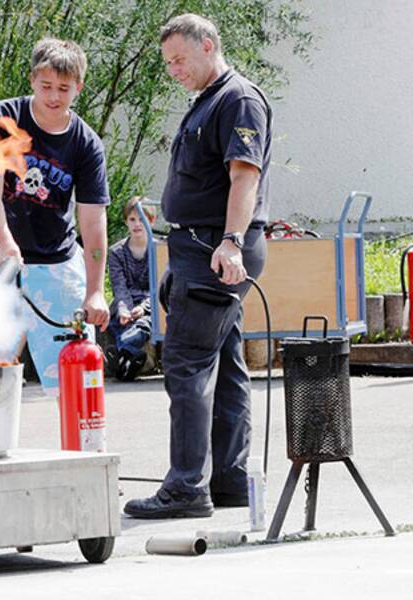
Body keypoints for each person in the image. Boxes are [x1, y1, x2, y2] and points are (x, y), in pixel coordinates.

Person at [124, 14, 272, 519]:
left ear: (208, 45)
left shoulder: (238, 100)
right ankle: (228, 480)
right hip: (200, 249)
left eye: (180, 59)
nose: (173, 70)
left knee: (186, 366)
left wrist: (229, 241)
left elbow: (243, 177)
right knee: (225, 365)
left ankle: (186, 488)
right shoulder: (210, 100)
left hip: (217, 250)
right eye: (168, 63)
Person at [0, 37, 110, 398]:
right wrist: (6, 243)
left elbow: (93, 219)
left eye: (64, 89)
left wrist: (96, 291)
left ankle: (82, 447)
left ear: (78, 87)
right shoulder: (1, 118)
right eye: (46, 87)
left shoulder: (86, 144)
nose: (54, 96)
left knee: (76, 372)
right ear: (32, 81)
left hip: (54, 261)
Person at [107, 196, 156, 381]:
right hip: (126, 302)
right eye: (132, 219)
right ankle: (129, 357)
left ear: (152, 221)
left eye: (142, 219)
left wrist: (143, 307)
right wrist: (125, 309)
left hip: (149, 303)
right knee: (117, 321)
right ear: (126, 221)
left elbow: (159, 286)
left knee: (145, 323)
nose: (137, 224)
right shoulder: (117, 252)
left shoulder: (158, 248)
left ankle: (122, 354)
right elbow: (119, 286)